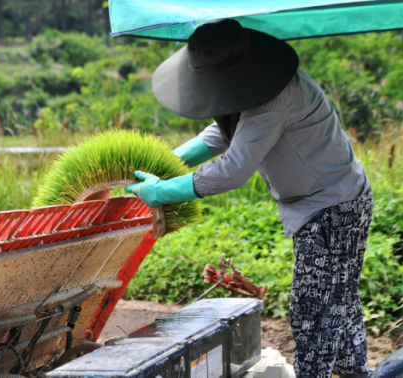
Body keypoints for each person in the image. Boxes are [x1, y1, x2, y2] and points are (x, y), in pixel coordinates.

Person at [126, 19, 372, 378]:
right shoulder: (252, 90)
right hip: (341, 199)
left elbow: (233, 168)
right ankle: (354, 373)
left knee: (314, 311)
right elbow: (218, 135)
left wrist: (162, 191)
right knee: (340, 302)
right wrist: (163, 165)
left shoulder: (272, 98)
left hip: (332, 209)